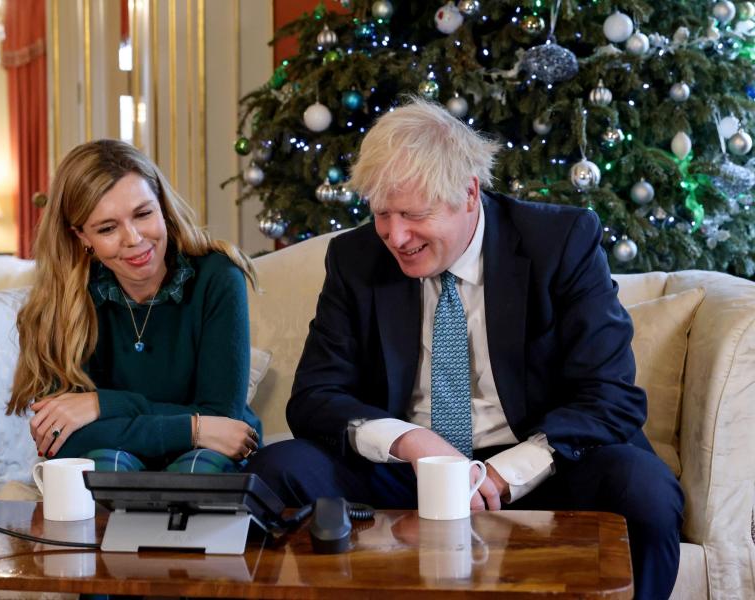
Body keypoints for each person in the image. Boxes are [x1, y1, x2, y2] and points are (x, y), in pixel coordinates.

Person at [244, 99, 683, 599]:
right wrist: (411, 443)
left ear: (469, 193)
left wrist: (502, 473)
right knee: (276, 471)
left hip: (540, 465)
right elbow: (316, 396)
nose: (395, 235)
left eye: (413, 214)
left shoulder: (559, 241)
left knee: (644, 489)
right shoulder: (356, 257)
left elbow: (609, 397)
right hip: (406, 471)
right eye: (382, 213)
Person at [8, 139, 261, 474]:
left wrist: (101, 405)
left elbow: (224, 424)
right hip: (131, 454)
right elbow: (60, 439)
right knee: (101, 468)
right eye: (107, 228)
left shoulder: (218, 277)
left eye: (143, 214)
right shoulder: (59, 301)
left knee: (198, 473)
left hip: (206, 459)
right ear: (81, 236)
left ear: (162, 206)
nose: (133, 239)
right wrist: (193, 427)